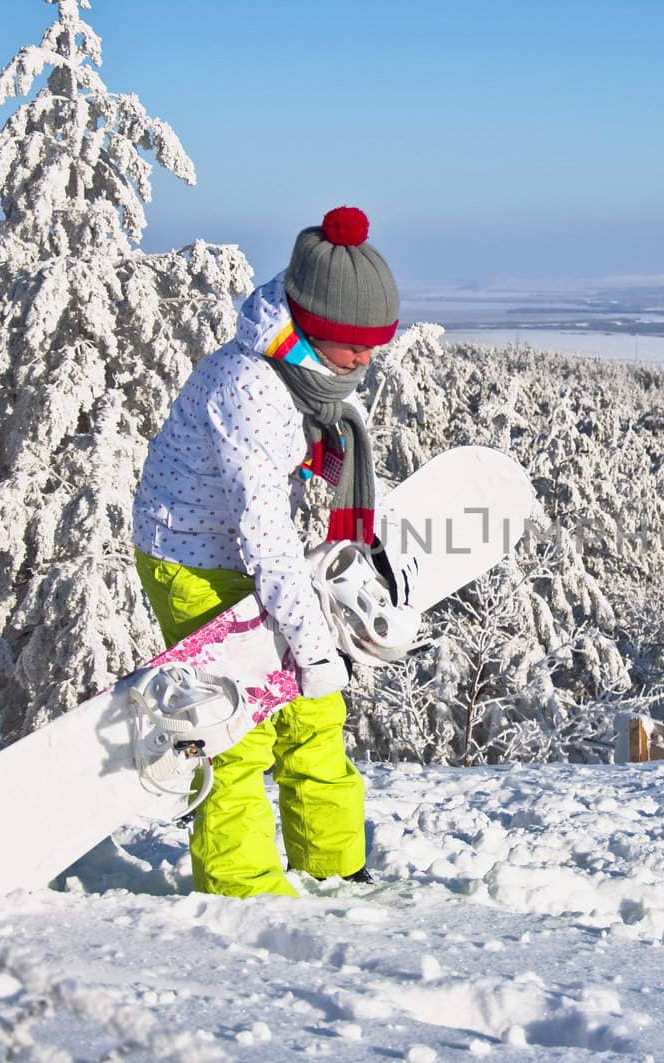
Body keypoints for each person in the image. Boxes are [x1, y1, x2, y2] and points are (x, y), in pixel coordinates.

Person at [131, 206, 399, 897]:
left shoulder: (310, 377)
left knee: (316, 711)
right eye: (354, 344)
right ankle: (243, 891)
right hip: (189, 556)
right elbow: (266, 534)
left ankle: (335, 866)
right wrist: (311, 645)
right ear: (313, 326)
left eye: (377, 343)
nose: (366, 360)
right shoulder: (251, 387)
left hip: (253, 559)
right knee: (233, 727)